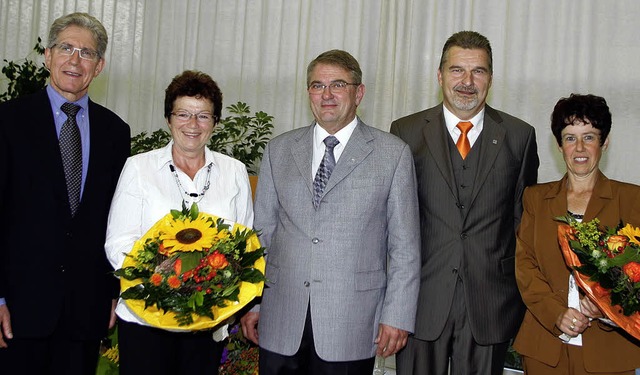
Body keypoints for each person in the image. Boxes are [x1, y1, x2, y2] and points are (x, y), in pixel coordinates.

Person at [240, 49, 420, 375]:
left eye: (337, 85)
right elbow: (261, 234)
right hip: (281, 318)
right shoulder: (279, 150)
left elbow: (405, 247)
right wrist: (254, 303)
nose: (326, 95)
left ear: (358, 92)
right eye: (316, 85)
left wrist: (397, 316)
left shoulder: (392, 154)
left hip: (351, 321)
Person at [390, 30, 539, 375]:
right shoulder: (405, 132)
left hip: (490, 302)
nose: (467, 82)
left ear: (491, 78)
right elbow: (393, 224)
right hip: (421, 300)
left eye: (478, 71)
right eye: (457, 70)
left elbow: (523, 224)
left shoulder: (520, 136)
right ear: (440, 76)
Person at [0, 12, 131, 374]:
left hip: (84, 313)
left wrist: (112, 291)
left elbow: (113, 220)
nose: (75, 60)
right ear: (47, 55)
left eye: (86, 53)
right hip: (17, 311)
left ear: (99, 65)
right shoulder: (8, 121)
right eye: (66, 48)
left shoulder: (116, 132)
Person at [105, 70, 253, 374]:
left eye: (203, 116)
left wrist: (214, 288)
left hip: (207, 321)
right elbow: (118, 241)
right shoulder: (138, 168)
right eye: (183, 113)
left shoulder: (235, 172)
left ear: (215, 122)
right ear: (169, 119)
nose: (193, 124)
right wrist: (161, 281)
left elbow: (244, 242)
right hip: (146, 319)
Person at [514, 93, 640, 374]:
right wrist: (556, 313)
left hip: (610, 352)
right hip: (545, 349)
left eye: (590, 137)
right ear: (559, 145)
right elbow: (526, 268)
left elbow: (635, 273)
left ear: (604, 143)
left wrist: (606, 307)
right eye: (570, 137)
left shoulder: (633, 200)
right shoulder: (535, 199)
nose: (579, 147)